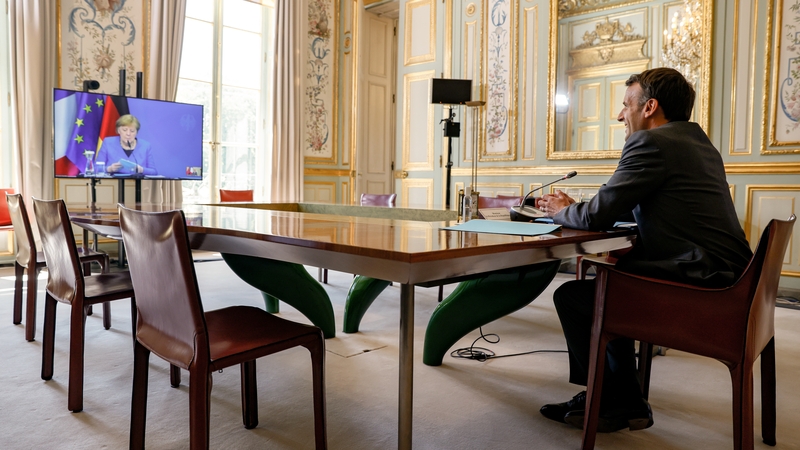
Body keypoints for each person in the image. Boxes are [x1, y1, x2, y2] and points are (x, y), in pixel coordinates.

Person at [536, 68, 753, 433]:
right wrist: (580, 207)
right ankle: (624, 399)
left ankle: (607, 399)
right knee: (611, 282)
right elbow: (621, 205)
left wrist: (561, 212)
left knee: (577, 297)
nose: (620, 115)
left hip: (707, 285)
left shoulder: (652, 143)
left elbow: (601, 213)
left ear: (650, 106)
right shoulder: (695, 142)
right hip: (734, 278)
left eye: (626, 105)